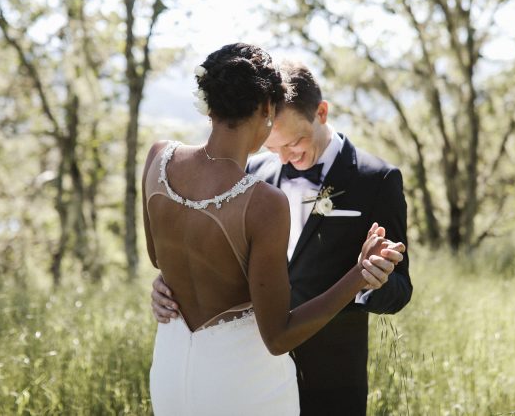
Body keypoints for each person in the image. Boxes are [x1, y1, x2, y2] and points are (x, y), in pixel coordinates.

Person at [143, 44, 406, 415]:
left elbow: (400, 289)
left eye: (294, 142)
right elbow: (272, 327)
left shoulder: (377, 179)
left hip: (328, 373)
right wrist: (169, 285)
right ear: (266, 110)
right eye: (273, 145)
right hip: (248, 371)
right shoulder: (256, 185)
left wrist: (372, 281)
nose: (282, 156)